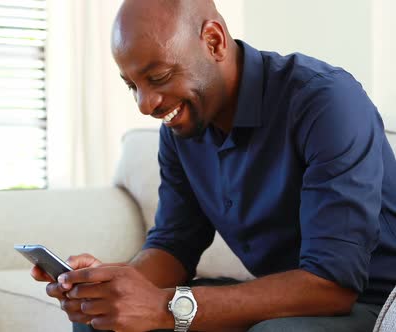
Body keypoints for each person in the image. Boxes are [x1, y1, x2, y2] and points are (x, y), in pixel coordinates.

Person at [31, 0, 396, 331]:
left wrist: (164, 306)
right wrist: (112, 287)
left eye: (157, 77)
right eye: (132, 86)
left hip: (372, 302)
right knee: (103, 323)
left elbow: (332, 285)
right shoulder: (181, 127)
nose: (145, 104)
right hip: (282, 300)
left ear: (214, 41)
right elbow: (175, 245)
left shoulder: (325, 101)